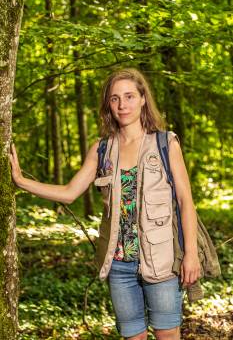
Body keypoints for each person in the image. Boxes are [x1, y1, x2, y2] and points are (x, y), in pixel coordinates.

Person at [9, 68, 201, 340]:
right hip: (119, 266)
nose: (122, 105)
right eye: (114, 98)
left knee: (167, 335)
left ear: (143, 99)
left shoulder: (165, 143)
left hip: (161, 261)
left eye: (130, 96)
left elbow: (185, 202)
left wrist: (190, 254)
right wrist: (21, 181)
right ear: (108, 104)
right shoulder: (102, 149)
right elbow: (69, 192)